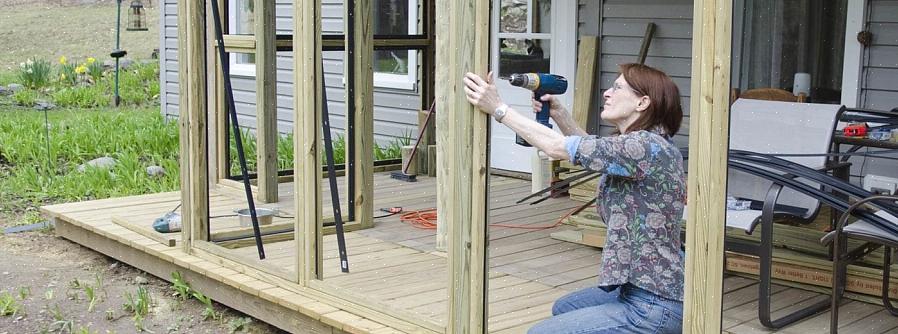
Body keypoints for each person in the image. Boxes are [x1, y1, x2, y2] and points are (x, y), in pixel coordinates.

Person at [463, 63, 686, 333]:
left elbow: (557, 147)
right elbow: (591, 151)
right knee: (565, 307)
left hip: (652, 305)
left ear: (642, 102)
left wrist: (499, 108)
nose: (606, 93)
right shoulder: (648, 145)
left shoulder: (642, 145)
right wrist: (560, 114)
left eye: (617, 88)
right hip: (639, 289)